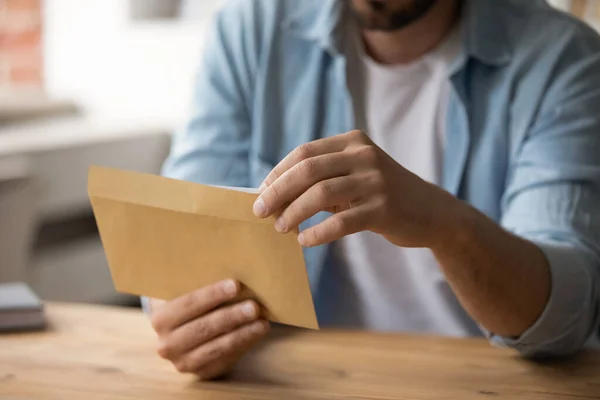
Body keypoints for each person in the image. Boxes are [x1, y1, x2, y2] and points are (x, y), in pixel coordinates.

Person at [145, 0, 600, 379]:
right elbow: (179, 239)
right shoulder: (252, 28)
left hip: (487, 382)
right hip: (297, 379)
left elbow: (564, 319)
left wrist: (446, 225)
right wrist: (186, 315)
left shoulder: (564, 59)